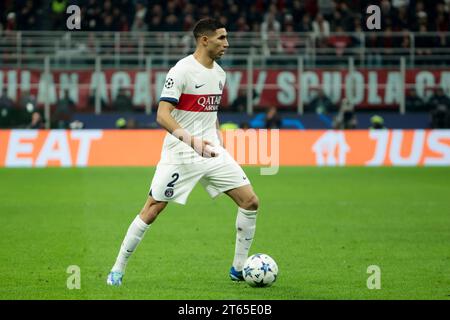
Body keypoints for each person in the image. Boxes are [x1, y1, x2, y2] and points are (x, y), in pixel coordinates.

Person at [107, 18, 260, 286]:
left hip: (212, 151)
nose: (227, 43)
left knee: (250, 202)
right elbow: (162, 115)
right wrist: (193, 142)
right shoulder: (181, 71)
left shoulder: (220, 74)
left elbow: (211, 112)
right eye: (221, 38)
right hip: (181, 153)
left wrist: (218, 138)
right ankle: (117, 269)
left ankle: (238, 269)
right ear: (204, 40)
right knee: (152, 209)